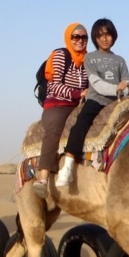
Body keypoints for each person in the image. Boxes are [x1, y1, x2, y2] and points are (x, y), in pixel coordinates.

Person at [56, 18, 129, 188]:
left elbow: (126, 81)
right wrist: (118, 88)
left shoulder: (120, 60)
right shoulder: (90, 58)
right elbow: (96, 83)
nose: (105, 38)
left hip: (117, 102)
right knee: (80, 124)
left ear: (114, 36)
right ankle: (67, 167)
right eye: (100, 35)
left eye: (108, 34)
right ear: (95, 38)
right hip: (96, 99)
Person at [32, 22, 89, 198]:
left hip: (78, 105)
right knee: (55, 128)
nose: (80, 41)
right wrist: (78, 93)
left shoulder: (89, 61)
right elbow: (55, 85)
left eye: (84, 37)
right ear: (68, 38)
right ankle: (43, 178)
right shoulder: (60, 55)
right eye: (76, 37)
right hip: (58, 104)